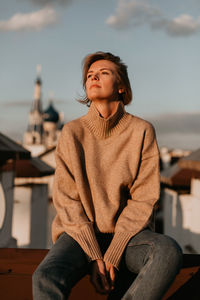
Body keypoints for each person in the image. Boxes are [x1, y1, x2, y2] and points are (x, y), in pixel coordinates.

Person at [33, 51, 182, 300]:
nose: (94, 77)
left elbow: (144, 198)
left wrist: (112, 254)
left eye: (103, 73)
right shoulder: (72, 132)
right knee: (44, 276)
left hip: (128, 237)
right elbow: (67, 200)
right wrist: (94, 255)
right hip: (79, 236)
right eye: (90, 75)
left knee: (168, 252)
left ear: (121, 86)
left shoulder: (141, 131)